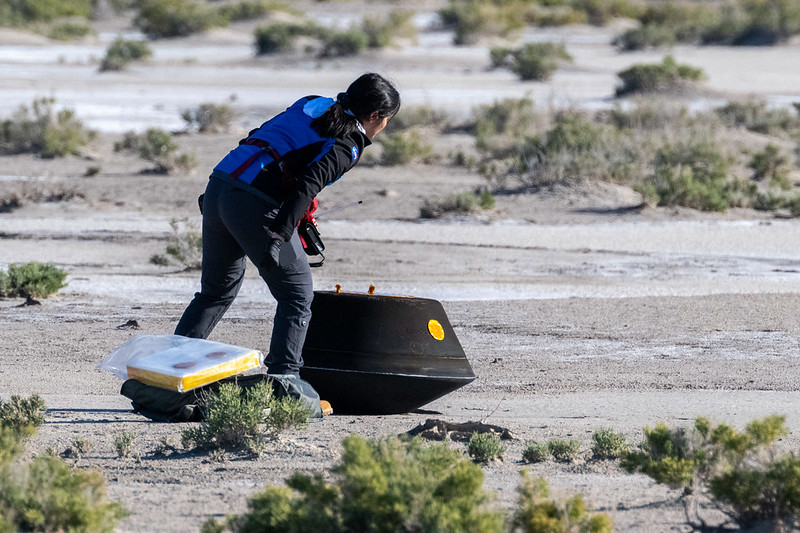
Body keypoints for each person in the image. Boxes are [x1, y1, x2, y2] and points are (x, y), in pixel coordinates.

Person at [174, 73, 400, 380]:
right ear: (375, 116)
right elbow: (309, 183)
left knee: (215, 293)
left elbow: (260, 136)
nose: (385, 126)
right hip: (254, 203)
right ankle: (284, 380)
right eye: (387, 119)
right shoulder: (349, 145)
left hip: (221, 185)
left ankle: (170, 370)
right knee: (297, 296)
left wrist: (221, 196)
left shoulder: (311, 103)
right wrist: (280, 234)